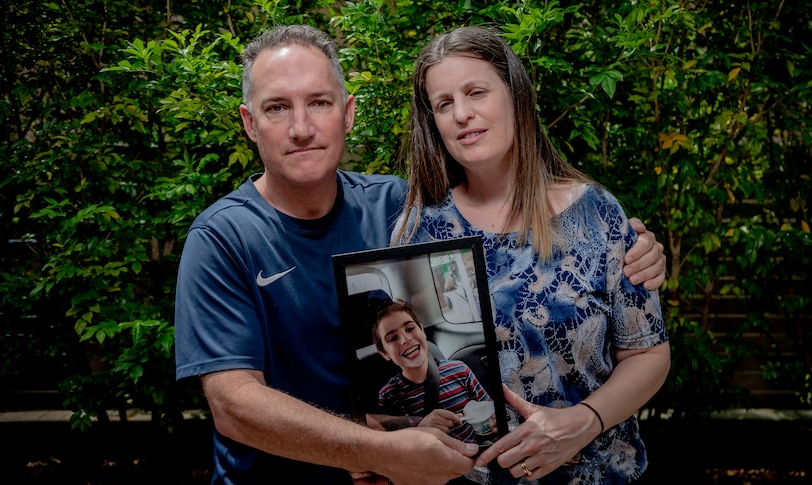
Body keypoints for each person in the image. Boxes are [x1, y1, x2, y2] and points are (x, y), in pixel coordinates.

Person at [174, 24, 666, 485]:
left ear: (347, 113)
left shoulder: (398, 206)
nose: (301, 127)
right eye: (277, 107)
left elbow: (515, 228)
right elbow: (234, 405)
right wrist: (379, 449)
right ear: (249, 123)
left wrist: (636, 246)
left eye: (318, 102)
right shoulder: (223, 238)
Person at [391, 26, 671, 484]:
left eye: (476, 92)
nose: (462, 114)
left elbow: (647, 353)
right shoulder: (421, 230)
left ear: (516, 96)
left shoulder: (595, 214)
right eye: (443, 104)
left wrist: (583, 421)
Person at [371, 299, 494, 445]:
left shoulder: (459, 370)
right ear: (384, 353)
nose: (405, 339)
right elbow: (396, 444)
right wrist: (421, 428)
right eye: (392, 338)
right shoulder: (389, 395)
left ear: (422, 331)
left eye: (410, 329)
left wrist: (494, 423)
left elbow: (489, 409)